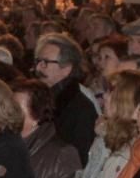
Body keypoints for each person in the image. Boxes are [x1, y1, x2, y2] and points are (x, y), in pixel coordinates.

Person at [33, 33, 98, 166]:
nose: (38, 68)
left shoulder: (80, 107)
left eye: (45, 62)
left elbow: (78, 159)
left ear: (66, 69)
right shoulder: (43, 97)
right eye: (38, 61)